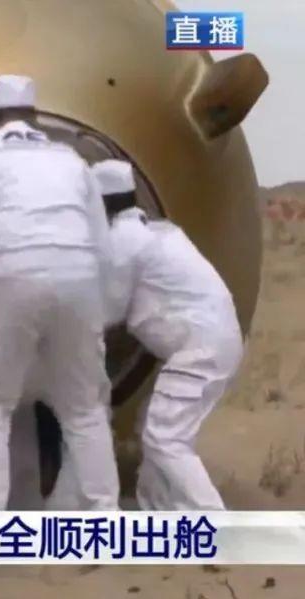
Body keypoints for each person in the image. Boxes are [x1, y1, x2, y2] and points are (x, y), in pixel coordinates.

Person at [0, 74, 120, 511]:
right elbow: (102, 245)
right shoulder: (70, 159)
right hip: (79, 276)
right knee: (84, 409)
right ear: (34, 117)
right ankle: (105, 517)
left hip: (10, 273)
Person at [51, 159, 242, 510]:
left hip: (200, 348)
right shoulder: (154, 230)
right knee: (151, 429)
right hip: (209, 339)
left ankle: (213, 522)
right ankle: (159, 512)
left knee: (165, 439)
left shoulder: (125, 241)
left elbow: (108, 309)